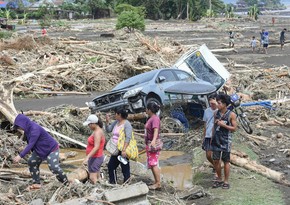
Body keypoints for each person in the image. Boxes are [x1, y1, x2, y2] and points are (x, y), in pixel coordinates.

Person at [13, 114, 68, 190]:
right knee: (32, 162)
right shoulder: (27, 129)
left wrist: (20, 156)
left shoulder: (34, 129)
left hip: (51, 149)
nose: (20, 128)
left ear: (23, 123)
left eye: (19, 126)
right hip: (40, 150)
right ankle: (36, 182)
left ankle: (66, 183)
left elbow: (31, 144)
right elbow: (28, 141)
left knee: (53, 167)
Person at [211, 94, 237, 189]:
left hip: (226, 140)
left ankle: (226, 181)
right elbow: (214, 126)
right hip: (216, 140)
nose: (217, 105)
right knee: (216, 160)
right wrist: (211, 137)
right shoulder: (215, 114)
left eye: (219, 103)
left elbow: (234, 128)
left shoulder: (231, 115)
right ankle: (219, 179)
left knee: (226, 161)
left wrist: (223, 125)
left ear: (225, 104)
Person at [105, 108, 132, 184]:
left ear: (119, 115)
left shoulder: (127, 124)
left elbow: (128, 137)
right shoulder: (116, 122)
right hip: (115, 149)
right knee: (111, 166)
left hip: (123, 148)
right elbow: (108, 130)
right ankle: (113, 182)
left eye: (116, 114)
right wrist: (107, 121)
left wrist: (124, 150)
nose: (115, 115)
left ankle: (127, 183)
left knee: (125, 167)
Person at [83, 114, 105, 184]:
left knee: (92, 178)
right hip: (96, 157)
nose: (88, 126)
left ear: (93, 124)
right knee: (97, 177)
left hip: (96, 157)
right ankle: (101, 188)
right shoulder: (97, 130)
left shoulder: (97, 132)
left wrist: (87, 157)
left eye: (89, 124)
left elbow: (96, 147)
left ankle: (97, 191)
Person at [145, 102, 162, 190]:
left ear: (149, 110)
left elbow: (155, 130)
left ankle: (158, 183)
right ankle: (156, 181)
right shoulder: (151, 118)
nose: (146, 110)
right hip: (150, 142)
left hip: (153, 143)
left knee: (154, 163)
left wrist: (153, 141)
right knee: (151, 163)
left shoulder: (155, 119)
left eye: (147, 109)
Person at [202, 94, 217, 178]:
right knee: (208, 155)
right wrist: (204, 137)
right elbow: (205, 124)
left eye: (213, 101)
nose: (211, 103)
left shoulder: (219, 111)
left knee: (215, 154)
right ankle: (215, 166)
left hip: (216, 136)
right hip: (208, 135)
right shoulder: (207, 111)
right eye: (210, 101)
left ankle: (217, 172)